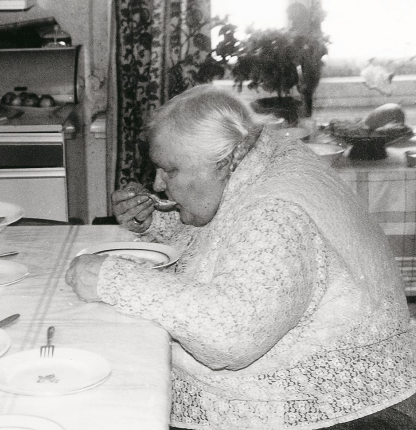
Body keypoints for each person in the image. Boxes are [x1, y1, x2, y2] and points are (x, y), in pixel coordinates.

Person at [66, 85, 416, 430]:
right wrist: (154, 222)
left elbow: (230, 335)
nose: (157, 185)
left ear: (224, 162)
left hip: (339, 413)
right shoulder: (265, 159)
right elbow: (226, 235)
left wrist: (111, 279)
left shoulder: (275, 212)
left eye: (169, 170)